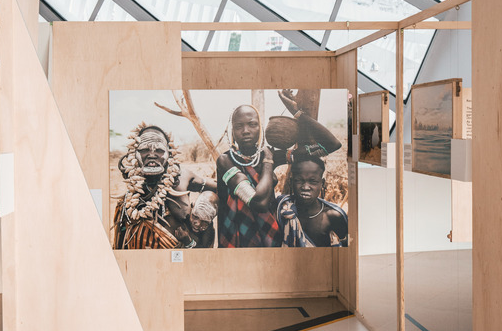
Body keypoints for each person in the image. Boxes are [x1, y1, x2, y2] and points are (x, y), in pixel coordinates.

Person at [113, 123, 215, 249]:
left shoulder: (182, 177)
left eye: (159, 150)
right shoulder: (129, 199)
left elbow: (219, 188)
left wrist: (205, 205)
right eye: (144, 150)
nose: (152, 155)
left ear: (169, 154)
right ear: (134, 154)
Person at [216, 104, 280, 248]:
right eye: (239, 126)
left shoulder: (266, 155)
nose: (246, 131)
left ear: (260, 128)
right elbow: (259, 203)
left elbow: (327, 146)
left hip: (269, 235)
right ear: (232, 131)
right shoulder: (225, 161)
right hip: (236, 238)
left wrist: (297, 112)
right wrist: (268, 161)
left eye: (252, 124)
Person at [277, 154, 348, 247]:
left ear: (322, 183)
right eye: (299, 180)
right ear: (291, 182)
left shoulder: (333, 216)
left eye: (313, 181)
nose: (305, 187)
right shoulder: (283, 210)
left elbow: (346, 247)